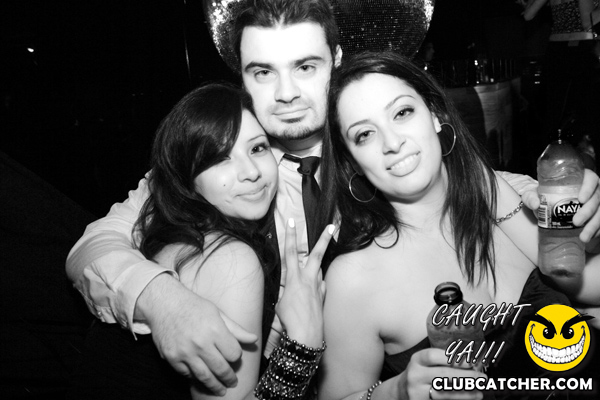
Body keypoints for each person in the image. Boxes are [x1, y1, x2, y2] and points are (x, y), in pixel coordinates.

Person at [66, 0, 600, 395]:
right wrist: (164, 302)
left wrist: (563, 195)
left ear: (336, 59)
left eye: (305, 67)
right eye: (263, 72)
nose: (286, 94)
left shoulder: (379, 150)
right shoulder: (223, 158)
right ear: (242, 78)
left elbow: (467, 183)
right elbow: (95, 243)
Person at [318, 51, 600, 400]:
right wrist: (397, 392)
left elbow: (590, 287)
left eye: (402, 113)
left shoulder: (498, 197)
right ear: (352, 161)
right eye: (364, 134)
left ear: (436, 114)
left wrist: (584, 223)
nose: (392, 143)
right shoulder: (353, 279)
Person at [68, 82, 333, 399]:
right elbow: (93, 244)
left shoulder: (182, 229)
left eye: (257, 148)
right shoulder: (229, 259)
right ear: (188, 180)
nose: (250, 172)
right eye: (220, 158)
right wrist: (300, 349)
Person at [520, 0, 600, 166]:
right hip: (581, 48)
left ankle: (548, 162)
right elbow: (587, 22)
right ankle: (585, 161)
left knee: (553, 111)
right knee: (588, 109)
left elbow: (528, 15)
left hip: (556, 50)